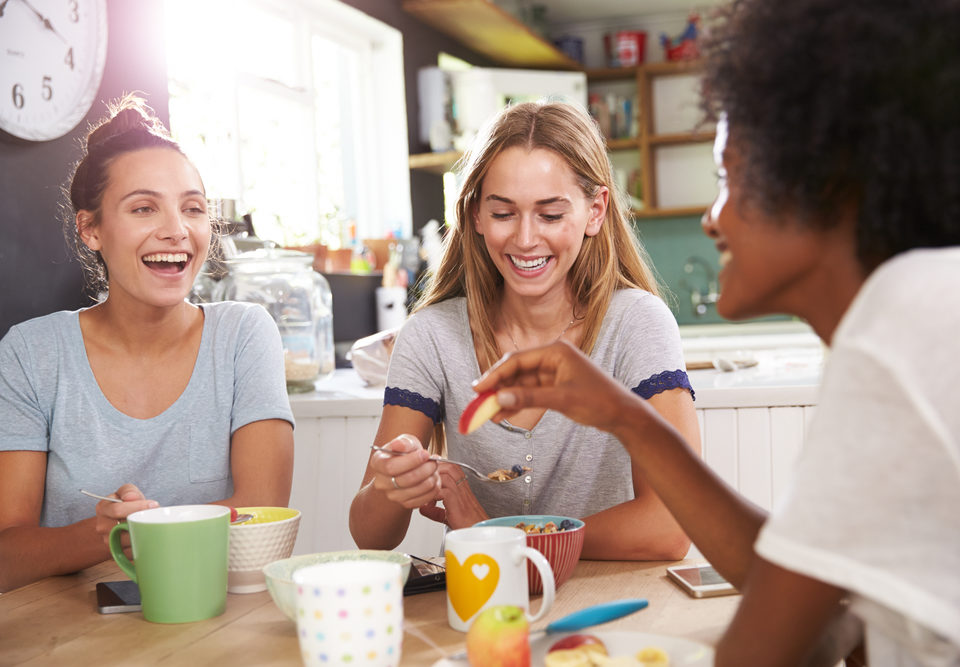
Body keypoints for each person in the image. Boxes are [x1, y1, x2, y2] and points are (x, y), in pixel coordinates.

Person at [473, 0, 960, 664]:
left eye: (728, 176)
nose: (712, 215)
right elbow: (800, 591)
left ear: (827, 182)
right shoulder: (926, 307)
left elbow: (763, 650)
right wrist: (625, 415)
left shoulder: (901, 325)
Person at [349, 100, 700, 560]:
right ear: (474, 214)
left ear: (595, 211)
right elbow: (370, 535)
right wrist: (390, 483)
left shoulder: (637, 323)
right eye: (503, 213)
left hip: (611, 602)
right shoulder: (431, 335)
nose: (526, 238)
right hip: (484, 602)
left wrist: (501, 538)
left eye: (551, 215)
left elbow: (672, 527)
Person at [0, 96, 295, 593]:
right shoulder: (31, 354)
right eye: (143, 208)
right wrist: (103, 536)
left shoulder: (245, 334)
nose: (177, 230)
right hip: (67, 635)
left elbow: (262, 511)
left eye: (193, 209)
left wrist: (142, 529)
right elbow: (6, 556)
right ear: (90, 228)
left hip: (214, 620)